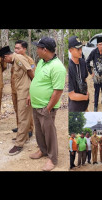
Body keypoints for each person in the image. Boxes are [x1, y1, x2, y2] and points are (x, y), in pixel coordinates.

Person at [29, 36, 66, 171]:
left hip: (46, 107)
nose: (36, 50)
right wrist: (30, 94)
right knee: (39, 132)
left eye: (38, 48)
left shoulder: (57, 67)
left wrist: (48, 108)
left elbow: (58, 91)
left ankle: (53, 158)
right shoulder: (41, 62)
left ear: (44, 49)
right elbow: (36, 81)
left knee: (49, 133)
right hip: (36, 104)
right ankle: (43, 150)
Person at [0, 46, 34, 156]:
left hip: (25, 91)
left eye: (4, 59)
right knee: (22, 116)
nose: (5, 62)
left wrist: (32, 92)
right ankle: (24, 137)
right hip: (20, 91)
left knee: (23, 118)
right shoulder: (15, 61)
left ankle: (19, 144)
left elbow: (30, 72)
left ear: (6, 56)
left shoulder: (18, 58)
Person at [11, 40, 35, 139]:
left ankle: (29, 129)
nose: (16, 50)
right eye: (15, 48)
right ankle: (20, 127)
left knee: (25, 111)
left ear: (24, 49)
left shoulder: (29, 60)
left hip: (24, 89)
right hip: (15, 89)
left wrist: (30, 93)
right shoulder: (14, 59)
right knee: (18, 109)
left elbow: (33, 76)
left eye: (18, 48)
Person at [86, 37, 102, 112]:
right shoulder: (93, 52)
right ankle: (95, 105)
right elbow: (87, 62)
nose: (101, 46)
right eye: (99, 44)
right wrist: (91, 72)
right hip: (96, 75)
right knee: (96, 91)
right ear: (97, 45)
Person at [68, 36, 89, 112]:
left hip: (84, 102)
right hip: (75, 106)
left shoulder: (83, 62)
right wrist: (85, 97)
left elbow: (84, 79)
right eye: (78, 49)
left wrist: (86, 92)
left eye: (81, 48)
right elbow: (72, 95)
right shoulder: (69, 68)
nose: (80, 51)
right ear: (70, 50)